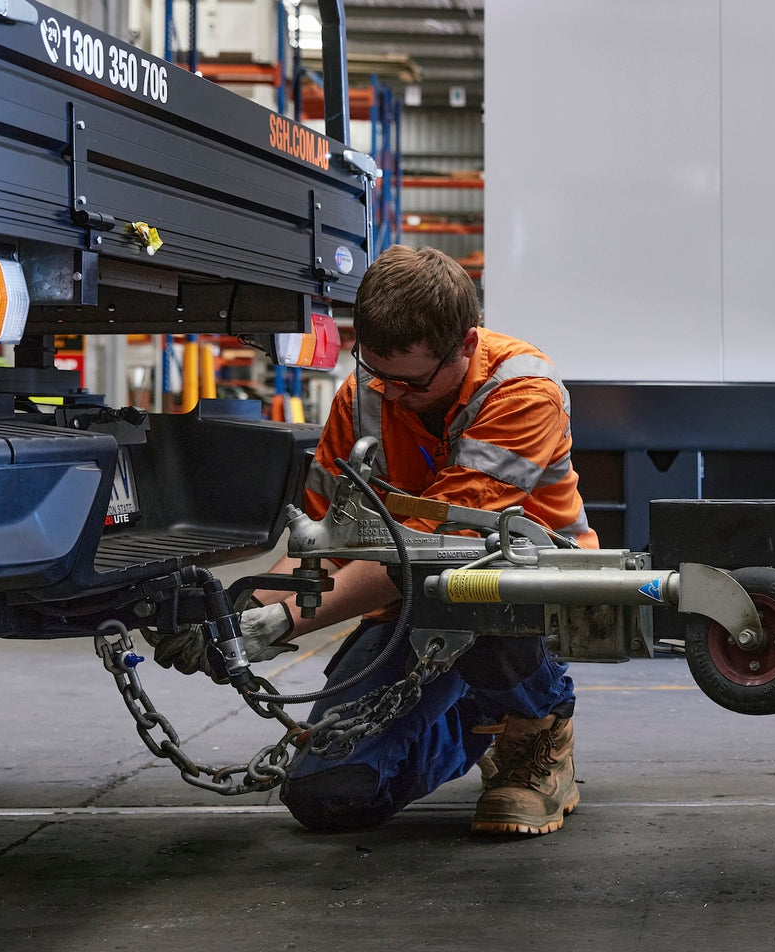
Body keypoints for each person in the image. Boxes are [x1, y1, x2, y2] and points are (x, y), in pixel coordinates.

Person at [164, 245, 597, 835]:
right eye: (377, 373)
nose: (389, 395)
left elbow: (438, 549)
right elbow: (321, 544)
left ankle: (538, 735)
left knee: (480, 592)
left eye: (410, 382)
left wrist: (286, 623)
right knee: (330, 794)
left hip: (526, 597)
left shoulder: (522, 392)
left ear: (466, 345)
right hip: (409, 610)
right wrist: (235, 616)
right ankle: (479, 721)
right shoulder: (362, 396)